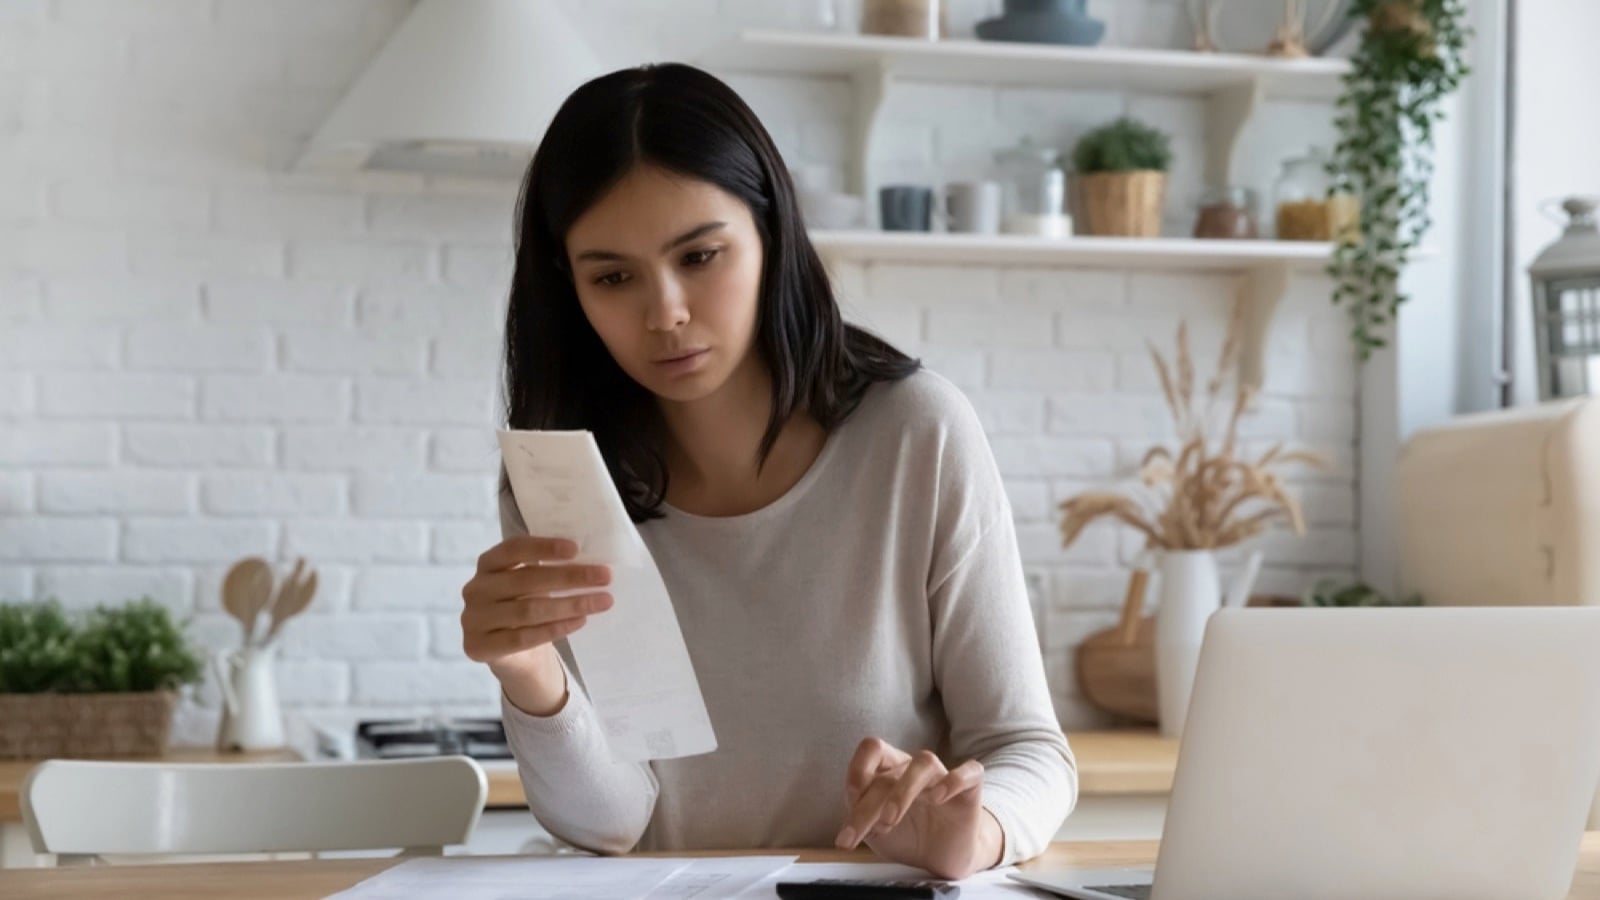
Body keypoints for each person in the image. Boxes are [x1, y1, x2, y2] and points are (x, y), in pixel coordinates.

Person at [459, 62, 1076, 880]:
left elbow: (1027, 749)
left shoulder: (915, 436)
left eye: (702, 255)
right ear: (569, 291)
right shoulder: (564, 487)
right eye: (613, 277)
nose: (666, 311)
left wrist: (977, 831)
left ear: (771, 235)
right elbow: (615, 825)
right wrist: (529, 675)